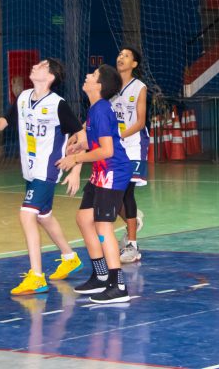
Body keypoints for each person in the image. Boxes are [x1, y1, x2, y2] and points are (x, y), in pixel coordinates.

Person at [0, 59, 84, 296]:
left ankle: (36, 276)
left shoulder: (58, 105)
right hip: (30, 169)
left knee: (27, 214)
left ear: (50, 77)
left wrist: (76, 166)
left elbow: (82, 135)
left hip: (48, 169)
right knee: (43, 216)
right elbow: (4, 122)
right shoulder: (24, 97)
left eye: (42, 65)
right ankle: (70, 257)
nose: (35, 66)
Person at [56, 64, 132, 304]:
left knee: (103, 227)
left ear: (98, 86)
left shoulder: (100, 110)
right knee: (83, 219)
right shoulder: (96, 109)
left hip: (113, 173)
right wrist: (82, 144)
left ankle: (117, 284)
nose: (87, 76)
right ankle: (100, 276)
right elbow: (98, 138)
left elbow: (108, 150)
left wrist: (75, 158)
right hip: (101, 172)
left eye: (92, 75)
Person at [111, 46, 149, 263]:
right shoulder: (111, 88)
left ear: (134, 64)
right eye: (119, 55)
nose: (121, 58)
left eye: (126, 56)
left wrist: (119, 135)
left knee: (126, 192)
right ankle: (132, 221)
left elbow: (140, 121)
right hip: (116, 147)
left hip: (134, 145)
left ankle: (132, 246)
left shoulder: (139, 87)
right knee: (112, 194)